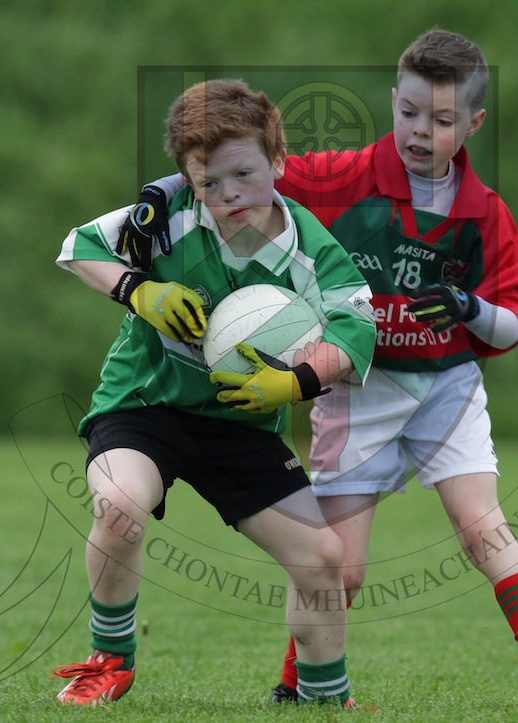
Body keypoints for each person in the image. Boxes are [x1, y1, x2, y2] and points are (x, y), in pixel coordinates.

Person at [129, 29, 518, 711]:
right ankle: (296, 683)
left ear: (474, 122)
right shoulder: (343, 176)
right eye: (408, 112)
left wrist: (469, 306)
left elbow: (512, 323)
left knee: (481, 527)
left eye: (441, 120)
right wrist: (164, 192)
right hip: (355, 391)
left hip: (445, 387)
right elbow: (249, 166)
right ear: (393, 101)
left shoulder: (485, 213)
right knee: (339, 569)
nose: (419, 130)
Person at [50, 78, 377, 708]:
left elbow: (356, 330)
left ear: (279, 162)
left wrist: (293, 382)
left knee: (321, 556)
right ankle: (109, 660)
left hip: (241, 425)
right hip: (145, 405)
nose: (228, 195)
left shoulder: (309, 248)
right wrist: (138, 290)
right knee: (119, 507)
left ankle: (323, 697)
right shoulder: (165, 217)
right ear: (188, 180)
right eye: (208, 183)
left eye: (244, 175)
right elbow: (79, 246)